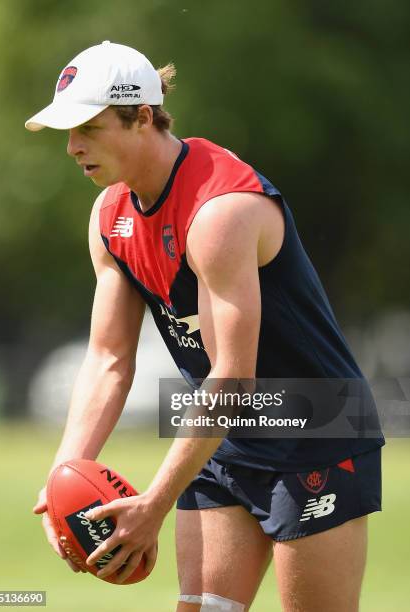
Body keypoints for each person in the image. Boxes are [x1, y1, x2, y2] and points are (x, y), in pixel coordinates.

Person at [26, 41, 384, 612]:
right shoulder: (109, 216)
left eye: (88, 129)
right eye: (68, 132)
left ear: (142, 116)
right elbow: (109, 360)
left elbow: (233, 378)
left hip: (316, 423)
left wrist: (155, 503)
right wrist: (64, 476)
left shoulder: (219, 212)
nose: (72, 148)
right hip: (221, 433)